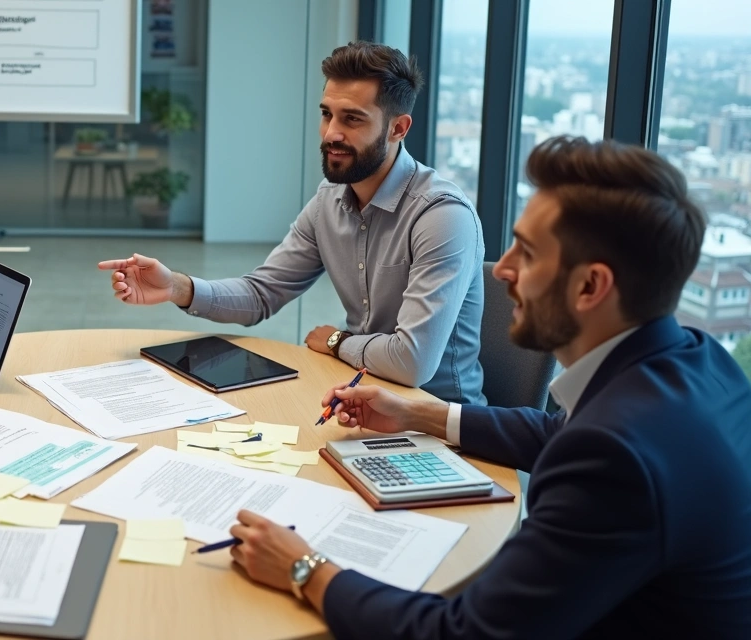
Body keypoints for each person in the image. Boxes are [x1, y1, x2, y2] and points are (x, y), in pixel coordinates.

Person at [227, 136, 751, 638]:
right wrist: (416, 414)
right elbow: (558, 433)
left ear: (591, 286)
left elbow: (465, 632)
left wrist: (304, 568)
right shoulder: (699, 362)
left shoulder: (615, 456)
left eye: (528, 252)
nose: (502, 269)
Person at [99, 42, 485, 404]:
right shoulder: (329, 200)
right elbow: (261, 294)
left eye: (352, 119)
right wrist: (177, 287)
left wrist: (336, 341)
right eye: (326, 114)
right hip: (358, 398)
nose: (331, 133)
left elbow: (412, 362)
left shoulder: (441, 216)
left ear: (398, 128)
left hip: (437, 421)